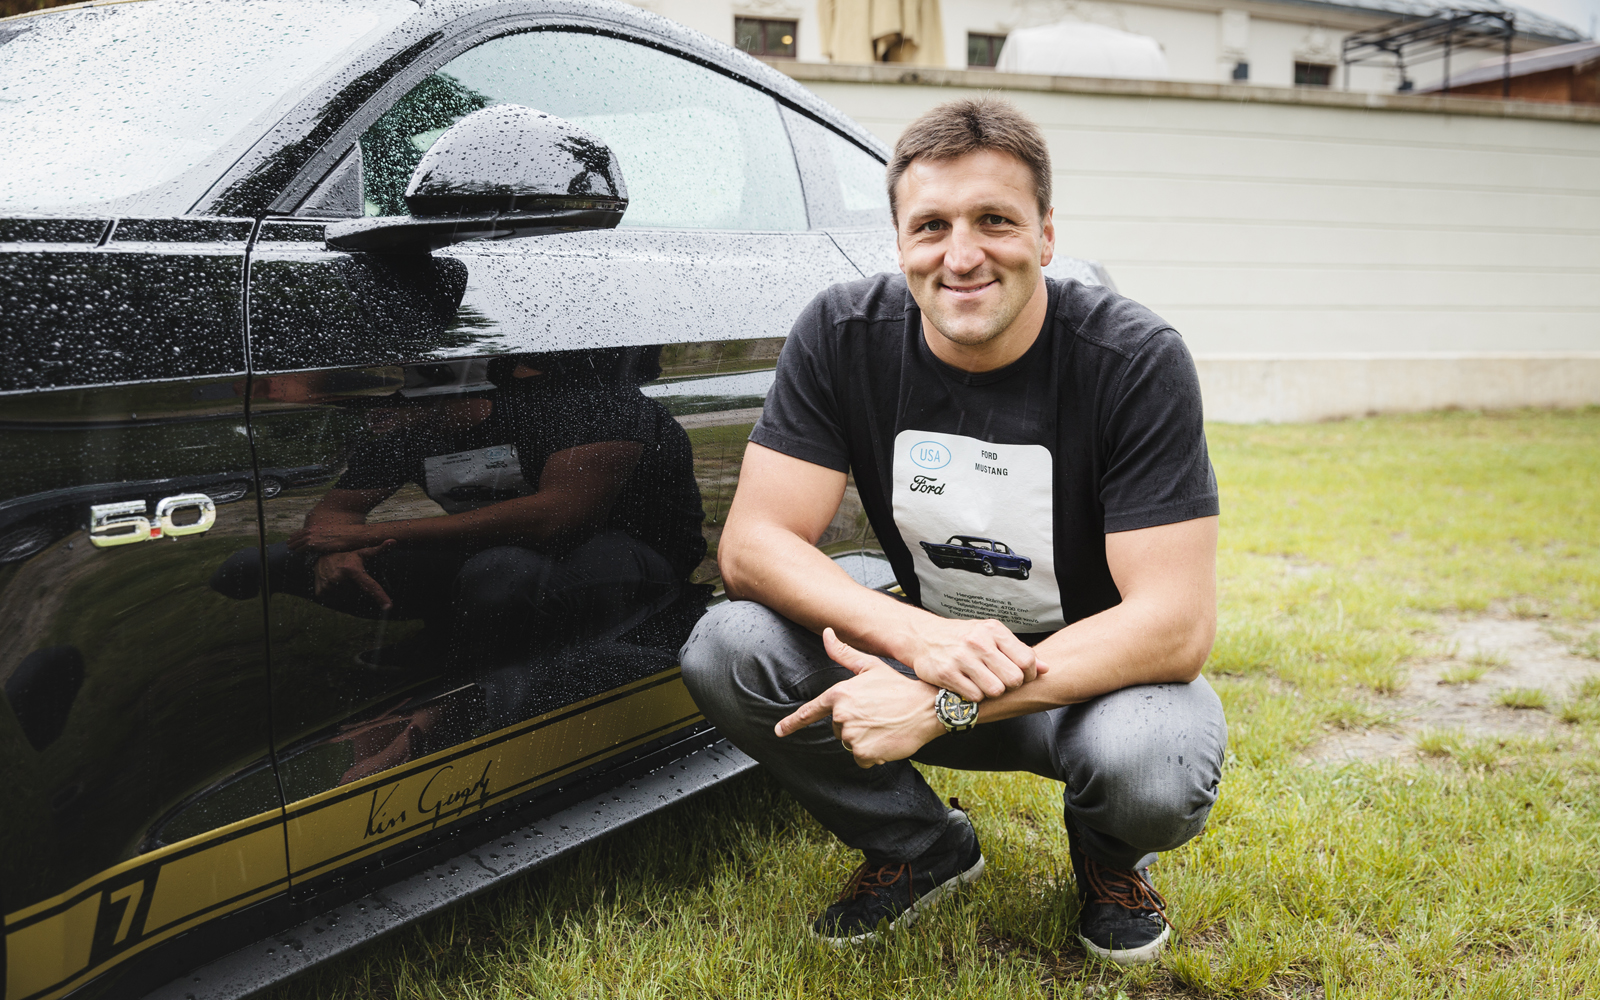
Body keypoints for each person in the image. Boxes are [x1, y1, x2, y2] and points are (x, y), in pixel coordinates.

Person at [678, 96, 1226, 965]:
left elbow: (1175, 624)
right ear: (899, 243)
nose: (961, 256)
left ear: (1046, 234)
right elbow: (753, 544)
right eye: (931, 226)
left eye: (994, 220)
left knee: (1153, 760)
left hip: (1085, 687)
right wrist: (918, 642)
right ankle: (919, 845)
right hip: (924, 649)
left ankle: (1109, 860)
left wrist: (944, 703)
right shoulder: (841, 334)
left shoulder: (1134, 359)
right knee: (728, 645)